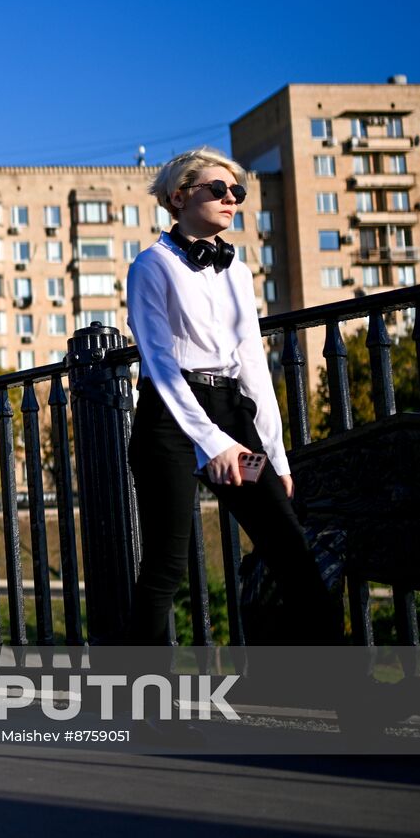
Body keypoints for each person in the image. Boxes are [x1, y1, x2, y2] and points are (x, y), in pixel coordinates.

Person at [124, 147, 341, 646]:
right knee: (165, 567)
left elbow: (253, 368)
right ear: (179, 197)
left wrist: (277, 459)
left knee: (291, 549)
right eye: (217, 189)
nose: (231, 199)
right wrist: (211, 443)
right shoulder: (151, 266)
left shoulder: (239, 272)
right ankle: (144, 710)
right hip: (169, 421)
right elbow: (158, 362)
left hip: (230, 415)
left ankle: (352, 703)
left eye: (237, 192)